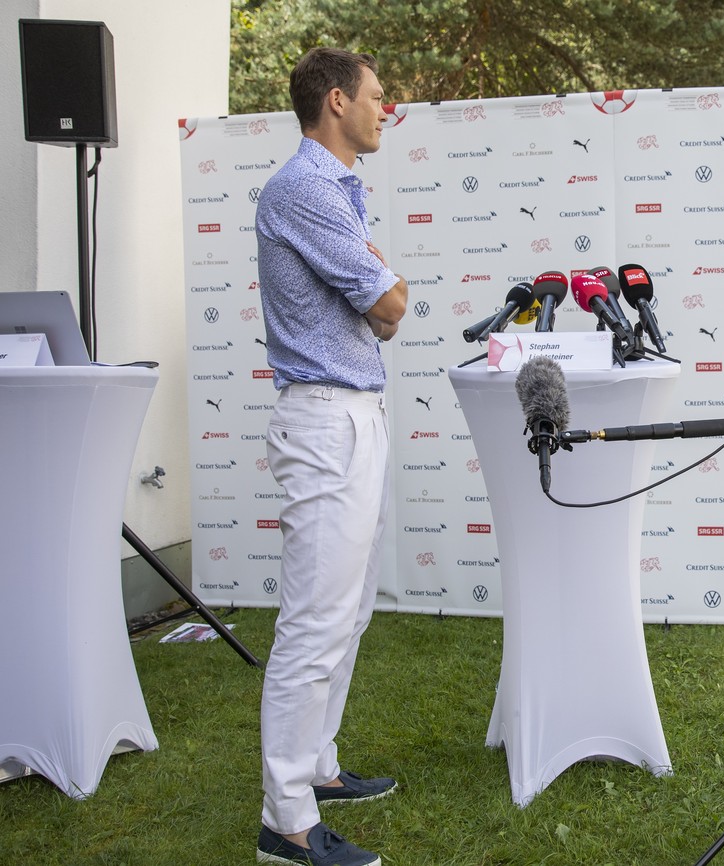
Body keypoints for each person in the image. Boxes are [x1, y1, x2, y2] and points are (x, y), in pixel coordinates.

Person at [253, 47, 406, 866]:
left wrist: (380, 299)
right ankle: (285, 822)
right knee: (314, 625)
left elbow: (382, 311)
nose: (386, 110)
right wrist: (382, 293)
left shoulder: (335, 189)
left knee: (345, 614)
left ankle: (316, 769)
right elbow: (388, 302)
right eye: (377, 98)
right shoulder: (306, 189)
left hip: (352, 415)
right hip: (324, 422)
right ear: (337, 102)